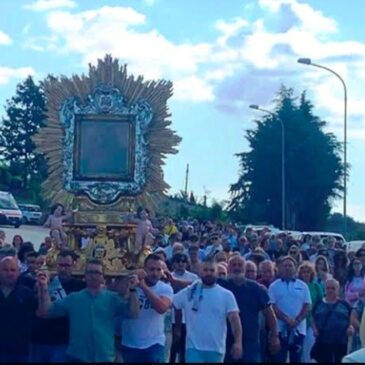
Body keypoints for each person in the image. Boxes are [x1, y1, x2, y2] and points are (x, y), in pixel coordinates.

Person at [37, 258, 139, 362]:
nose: (93, 275)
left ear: (102, 276)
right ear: (85, 275)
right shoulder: (74, 298)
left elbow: (133, 314)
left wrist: (133, 290)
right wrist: (44, 286)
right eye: (90, 272)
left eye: (97, 272)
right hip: (78, 358)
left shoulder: (112, 298)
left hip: (105, 357)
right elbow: (46, 311)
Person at [173, 259, 242, 363]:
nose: (208, 273)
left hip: (216, 349)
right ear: (200, 272)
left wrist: (238, 342)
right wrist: (178, 326)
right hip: (193, 348)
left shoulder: (226, 295)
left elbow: (235, 320)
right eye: (205, 270)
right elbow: (173, 304)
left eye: (211, 270)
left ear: (216, 272)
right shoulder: (189, 292)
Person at [218, 256, 280, 363]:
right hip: (225, 340)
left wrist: (274, 335)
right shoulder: (220, 286)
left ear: (244, 268)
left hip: (251, 342)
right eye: (233, 265)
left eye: (240, 265)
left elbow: (270, 315)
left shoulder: (257, 289)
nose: (236, 268)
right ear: (228, 268)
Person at [29, 250, 86, 362]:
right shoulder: (44, 281)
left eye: (67, 265)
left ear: (73, 265)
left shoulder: (80, 286)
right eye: (60, 265)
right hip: (40, 338)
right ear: (56, 265)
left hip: (63, 340)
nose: (63, 269)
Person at [121, 253, 174, 363]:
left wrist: (143, 286)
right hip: (130, 343)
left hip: (154, 344)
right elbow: (117, 291)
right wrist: (130, 276)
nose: (155, 273)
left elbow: (162, 308)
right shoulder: (132, 282)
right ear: (144, 269)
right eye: (151, 269)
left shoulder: (165, 288)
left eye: (158, 270)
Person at [268, 256, 311, 363]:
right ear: (279, 268)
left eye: (290, 265)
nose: (287, 268)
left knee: (296, 359)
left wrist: (297, 321)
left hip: (298, 329)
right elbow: (272, 306)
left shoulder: (303, 286)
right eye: (285, 266)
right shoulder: (273, 286)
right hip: (280, 329)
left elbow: (307, 305)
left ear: (295, 268)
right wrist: (286, 319)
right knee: (279, 359)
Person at [0, 256, 38, 362]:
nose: (9, 273)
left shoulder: (26, 293)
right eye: (5, 270)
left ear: (18, 272)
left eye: (13, 270)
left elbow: (38, 315)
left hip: (20, 350)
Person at [311, 278, 353, 363]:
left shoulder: (345, 305)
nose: (330, 290)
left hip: (341, 342)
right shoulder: (318, 304)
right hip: (322, 342)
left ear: (338, 290)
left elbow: (351, 318)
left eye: (333, 288)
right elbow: (312, 318)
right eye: (328, 288)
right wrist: (314, 329)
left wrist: (351, 327)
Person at [170, 253, 199, 363]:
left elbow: (196, 288)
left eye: (183, 261)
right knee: (173, 347)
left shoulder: (193, 277)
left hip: (189, 318)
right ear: (173, 264)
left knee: (185, 348)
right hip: (173, 318)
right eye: (177, 261)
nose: (180, 264)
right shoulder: (168, 276)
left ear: (187, 263)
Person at [298, 261, 324, 362]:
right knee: (299, 349)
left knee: (308, 349)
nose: (305, 274)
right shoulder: (297, 286)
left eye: (308, 272)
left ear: (312, 273)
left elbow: (321, 304)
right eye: (303, 272)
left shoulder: (316, 286)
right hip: (299, 320)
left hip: (312, 321)